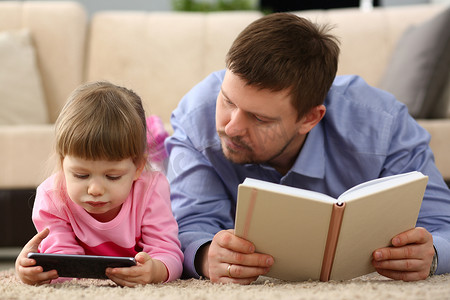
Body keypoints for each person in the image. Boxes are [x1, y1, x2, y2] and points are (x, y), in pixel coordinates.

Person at [165, 13, 450, 284]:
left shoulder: (384, 127)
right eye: (228, 101)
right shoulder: (196, 120)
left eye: (260, 118)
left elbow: (441, 224)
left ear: (310, 118)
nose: (232, 127)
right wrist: (205, 256)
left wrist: (431, 255)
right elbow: (190, 224)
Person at [15, 81, 183, 286]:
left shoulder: (151, 190)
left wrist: (155, 270)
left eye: (112, 177)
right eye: (80, 175)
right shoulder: (52, 196)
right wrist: (33, 268)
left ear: (138, 167)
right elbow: (61, 259)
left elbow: (168, 253)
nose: (95, 190)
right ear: (62, 163)